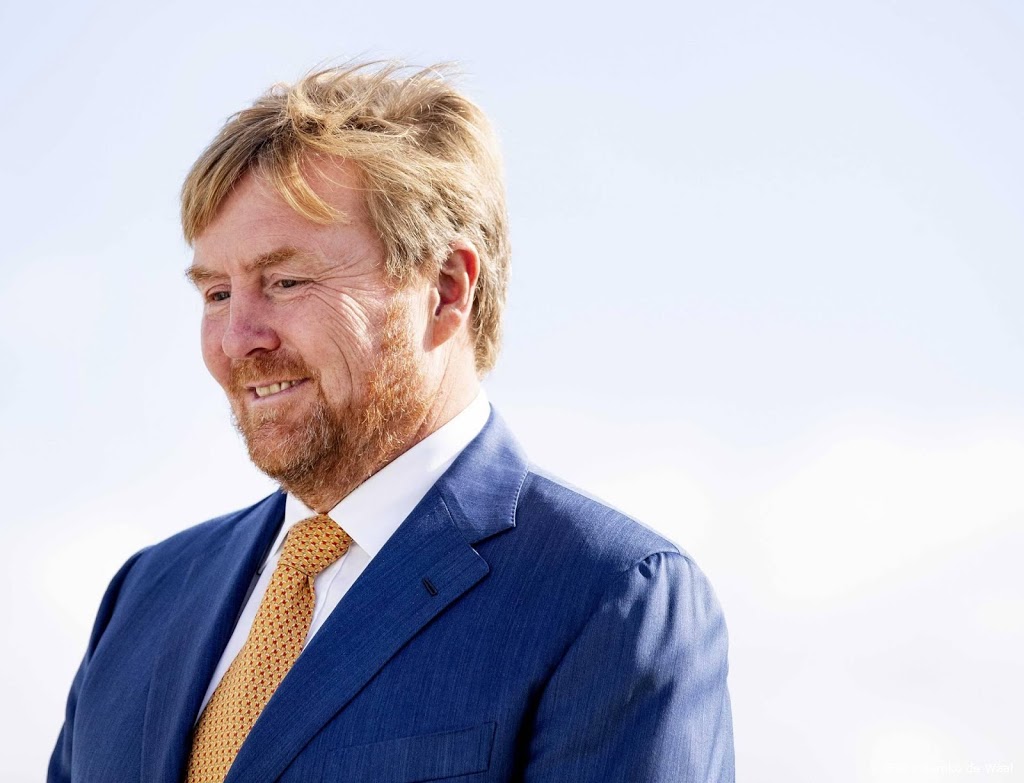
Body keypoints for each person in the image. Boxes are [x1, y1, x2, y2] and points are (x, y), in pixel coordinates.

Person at [49, 62, 734, 783]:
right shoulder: (143, 596)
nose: (237, 339)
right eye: (217, 293)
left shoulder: (612, 598)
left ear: (446, 288)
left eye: (286, 281)